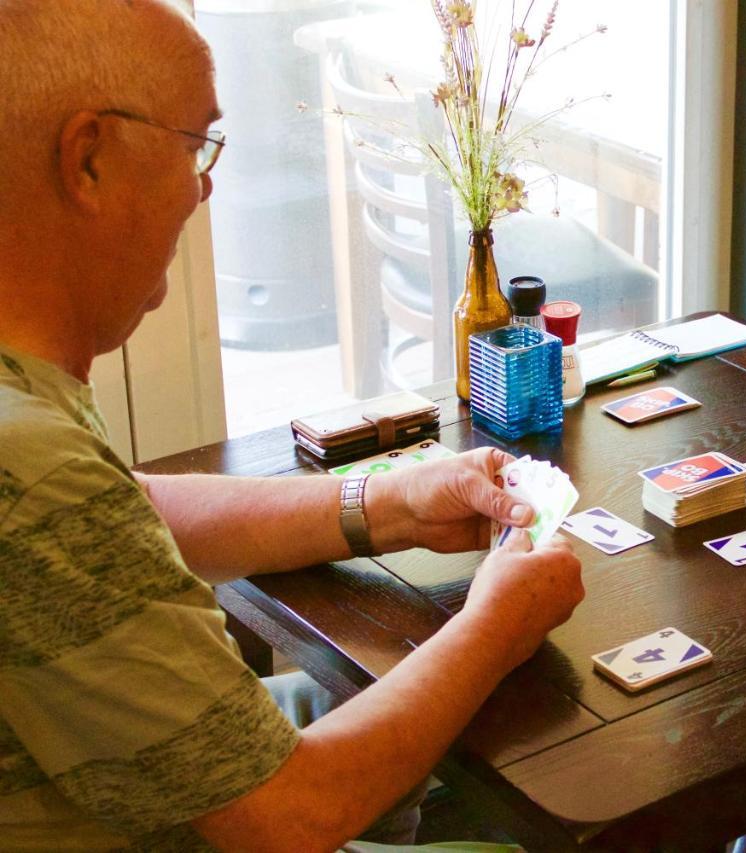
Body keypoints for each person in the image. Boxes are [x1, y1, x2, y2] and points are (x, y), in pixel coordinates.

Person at [0, 1, 584, 849]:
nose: (206, 187)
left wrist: (385, 503)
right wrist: (495, 623)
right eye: (198, 145)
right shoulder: (34, 461)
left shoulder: (32, 433)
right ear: (88, 159)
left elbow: (121, 510)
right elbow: (291, 811)